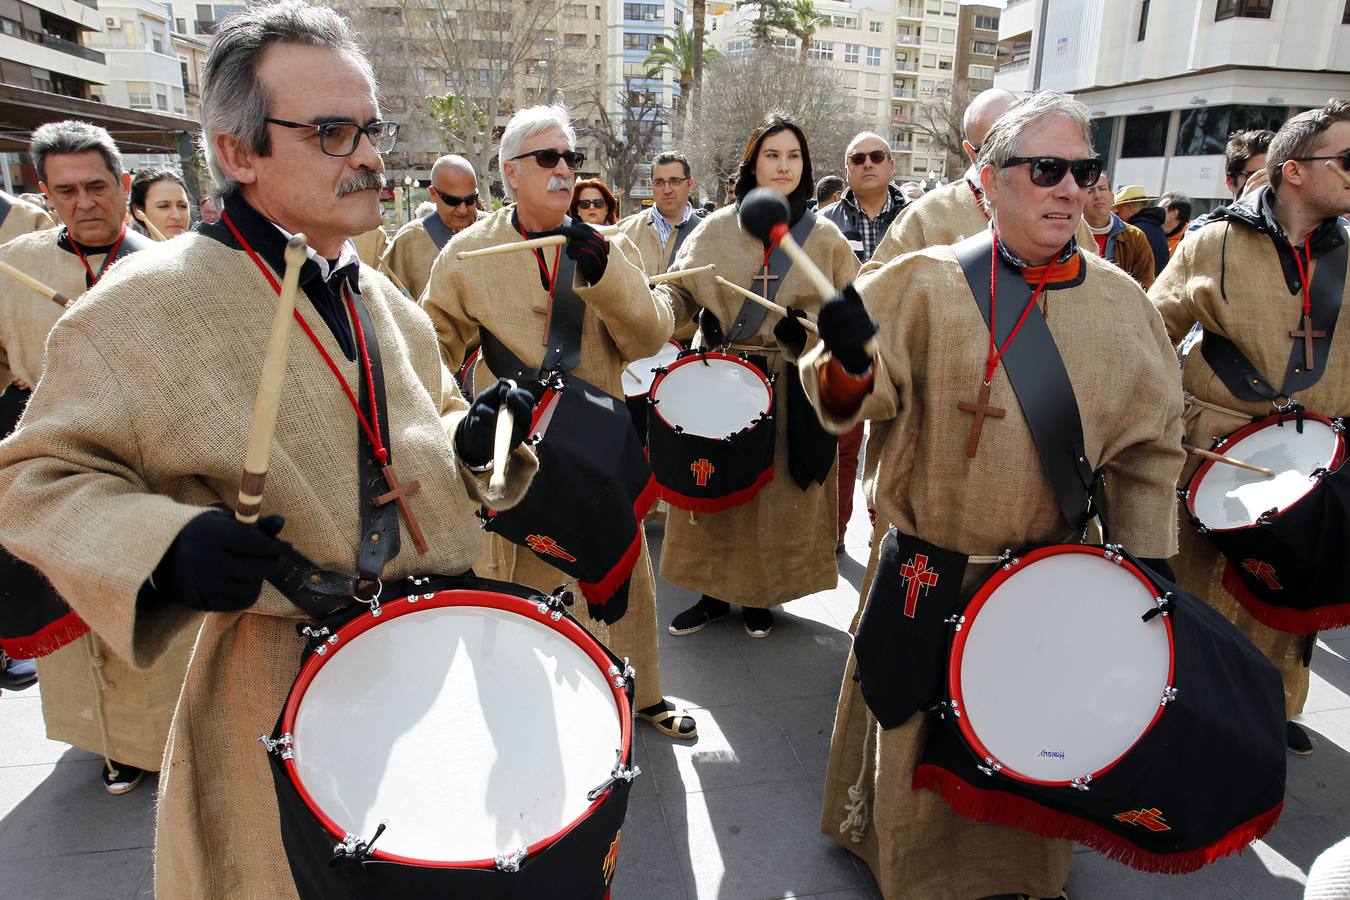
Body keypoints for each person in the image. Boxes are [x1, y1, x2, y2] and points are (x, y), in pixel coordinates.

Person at [0, 3, 540, 895]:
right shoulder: (141, 305)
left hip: (432, 656)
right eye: (332, 131)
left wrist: (474, 440)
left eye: (370, 128)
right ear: (238, 151)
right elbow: (33, 481)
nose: (368, 155)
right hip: (272, 689)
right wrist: (163, 546)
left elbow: (434, 424)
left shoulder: (383, 300)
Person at [800, 90, 1184, 900]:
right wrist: (846, 366)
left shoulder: (1124, 306)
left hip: (1047, 575)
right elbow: (841, 398)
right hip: (929, 564)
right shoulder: (921, 282)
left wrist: (1148, 577)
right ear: (989, 180)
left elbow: (1149, 455)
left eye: (1083, 171)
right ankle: (901, 864)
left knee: (1029, 737)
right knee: (910, 727)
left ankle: (1017, 873)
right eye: (1046, 169)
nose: (1069, 189)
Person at [420, 104, 698, 741]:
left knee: (619, 571)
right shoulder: (468, 254)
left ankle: (640, 691)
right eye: (548, 158)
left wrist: (605, 273)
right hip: (515, 450)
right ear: (511, 172)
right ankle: (517, 702)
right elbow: (427, 348)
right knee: (517, 581)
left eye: (571, 158)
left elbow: (651, 333)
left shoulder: (611, 245)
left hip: (596, 443)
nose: (564, 170)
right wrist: (463, 419)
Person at [1151, 98, 1350, 757]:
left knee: (1289, 599)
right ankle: (1182, 716)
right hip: (1212, 455)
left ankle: (1270, 709)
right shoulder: (1214, 242)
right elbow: (1153, 338)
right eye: (1347, 160)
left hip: (1314, 461)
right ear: (1294, 170)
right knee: (1196, 591)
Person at [0, 120, 165, 796]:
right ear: (45, 193)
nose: (85, 202)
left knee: (151, 608)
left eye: (98, 186)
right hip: (55, 468)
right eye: (66, 190)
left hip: (151, 466)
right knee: (74, 610)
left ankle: (164, 737)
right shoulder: (16, 269)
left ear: (124, 185)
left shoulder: (174, 263)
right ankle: (108, 740)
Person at [653, 113, 859, 638]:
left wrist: (811, 336)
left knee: (773, 501)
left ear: (806, 166)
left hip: (790, 386)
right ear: (753, 163)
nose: (783, 165)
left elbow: (851, 314)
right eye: (772, 155)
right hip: (722, 377)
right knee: (716, 488)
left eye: (793, 156)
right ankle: (710, 594)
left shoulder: (826, 236)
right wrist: (662, 306)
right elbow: (677, 296)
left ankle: (763, 598)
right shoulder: (715, 229)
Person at [866, 87, 1098, 274]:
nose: (1003, 153)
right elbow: (875, 300)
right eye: (990, 146)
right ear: (970, 152)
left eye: (1015, 140)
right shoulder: (927, 216)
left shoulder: (1067, 219)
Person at [820, 131, 907, 552]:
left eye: (877, 156)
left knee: (899, 447)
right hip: (847, 352)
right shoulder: (825, 224)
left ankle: (885, 533)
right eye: (858, 158)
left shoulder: (915, 218)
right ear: (847, 169)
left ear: (891, 165)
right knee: (842, 448)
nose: (867, 163)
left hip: (904, 350)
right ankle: (835, 532)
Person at [380, 153, 484, 300]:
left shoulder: (492, 229)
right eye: (452, 200)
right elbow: (386, 299)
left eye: (470, 199)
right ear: (433, 194)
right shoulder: (409, 240)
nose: (462, 209)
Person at [616, 151, 703, 279]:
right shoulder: (624, 232)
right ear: (652, 185)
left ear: (690, 183)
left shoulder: (706, 233)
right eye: (659, 183)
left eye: (675, 181)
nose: (667, 190)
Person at [1186, 128, 1276, 236]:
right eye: (1255, 175)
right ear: (1230, 182)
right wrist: (1243, 209)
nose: (1266, 182)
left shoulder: (1288, 231)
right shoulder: (1202, 226)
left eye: (1273, 175)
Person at [1083, 171, 1155, 288]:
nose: (1097, 195)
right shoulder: (1068, 235)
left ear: (1112, 196)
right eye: (1090, 191)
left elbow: (1146, 284)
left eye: (1102, 189)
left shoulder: (1135, 237)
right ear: (1079, 198)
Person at [1112, 185, 1169, 275]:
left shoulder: (1134, 233)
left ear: (1130, 208)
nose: (1118, 216)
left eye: (1119, 211)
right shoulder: (1159, 230)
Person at [129, 168, 192, 239]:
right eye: (163, 206)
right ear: (138, 211)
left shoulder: (205, 247)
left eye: (183, 206)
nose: (177, 216)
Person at [1159, 190, 1192, 255]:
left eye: (1159, 210)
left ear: (1174, 213)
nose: (1154, 213)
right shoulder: (1152, 233)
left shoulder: (1191, 238)